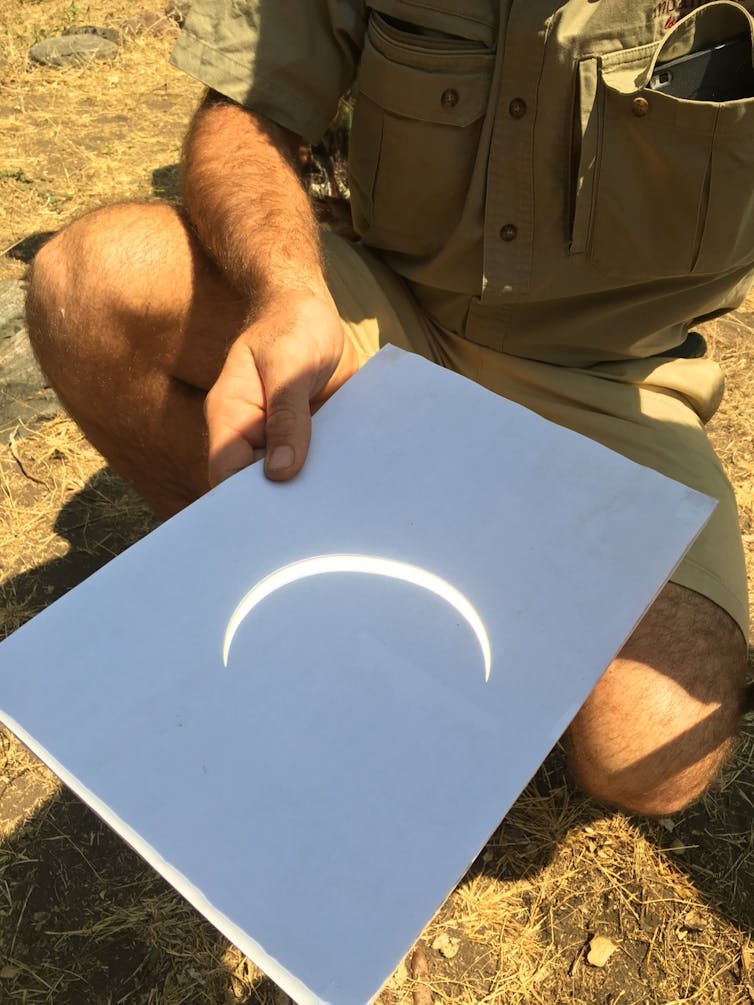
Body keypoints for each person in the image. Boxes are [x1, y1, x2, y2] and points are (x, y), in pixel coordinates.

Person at [25, 0, 753, 817]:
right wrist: (287, 290)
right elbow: (246, 111)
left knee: (647, 760)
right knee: (84, 285)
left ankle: (455, 568)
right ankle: (292, 601)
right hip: (386, 312)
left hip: (612, 381)